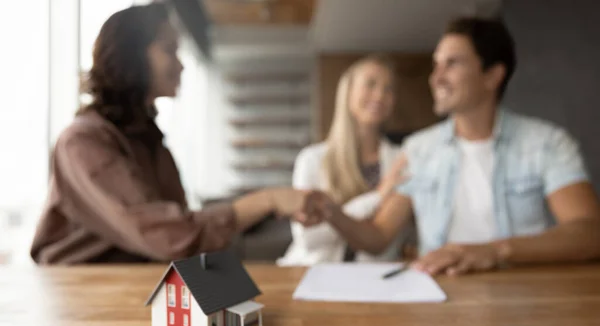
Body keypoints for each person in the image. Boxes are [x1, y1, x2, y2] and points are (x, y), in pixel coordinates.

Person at [302, 17, 600, 275]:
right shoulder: (419, 149)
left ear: (492, 75)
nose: (436, 77)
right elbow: (379, 236)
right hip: (442, 296)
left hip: (525, 300)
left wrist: (494, 252)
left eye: (452, 63)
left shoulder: (547, 143)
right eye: (436, 65)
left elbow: (589, 233)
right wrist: (332, 212)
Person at [30, 4, 319, 264]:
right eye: (169, 49)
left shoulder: (150, 142)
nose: (180, 64)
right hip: (75, 293)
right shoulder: (83, 142)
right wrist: (266, 200)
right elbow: (169, 235)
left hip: (124, 286)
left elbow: (179, 224)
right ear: (132, 55)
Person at [277, 54, 411, 266]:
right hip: (312, 273)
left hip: (376, 278)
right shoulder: (311, 159)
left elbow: (386, 236)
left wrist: (333, 216)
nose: (379, 95)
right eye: (371, 84)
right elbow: (309, 238)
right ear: (348, 91)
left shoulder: (402, 160)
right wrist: (377, 197)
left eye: (388, 89)